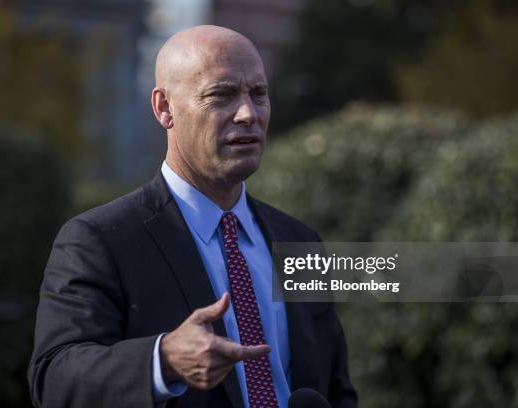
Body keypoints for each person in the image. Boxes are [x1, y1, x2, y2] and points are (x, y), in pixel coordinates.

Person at [28, 25, 357, 408]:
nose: (248, 113)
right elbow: (53, 380)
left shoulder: (300, 241)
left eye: (259, 94)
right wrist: (163, 361)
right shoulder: (99, 240)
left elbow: (335, 389)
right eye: (222, 95)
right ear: (164, 108)